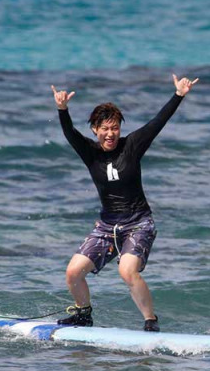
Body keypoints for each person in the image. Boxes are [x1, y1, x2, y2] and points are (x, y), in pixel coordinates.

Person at [51, 74, 198, 331]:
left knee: (127, 271)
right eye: (105, 129)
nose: (110, 134)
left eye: (115, 127)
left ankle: (150, 321)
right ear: (95, 130)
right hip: (107, 227)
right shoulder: (90, 152)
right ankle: (83, 314)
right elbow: (70, 133)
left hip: (139, 223)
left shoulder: (132, 146)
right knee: (73, 272)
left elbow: (157, 122)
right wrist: (62, 109)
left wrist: (179, 95)